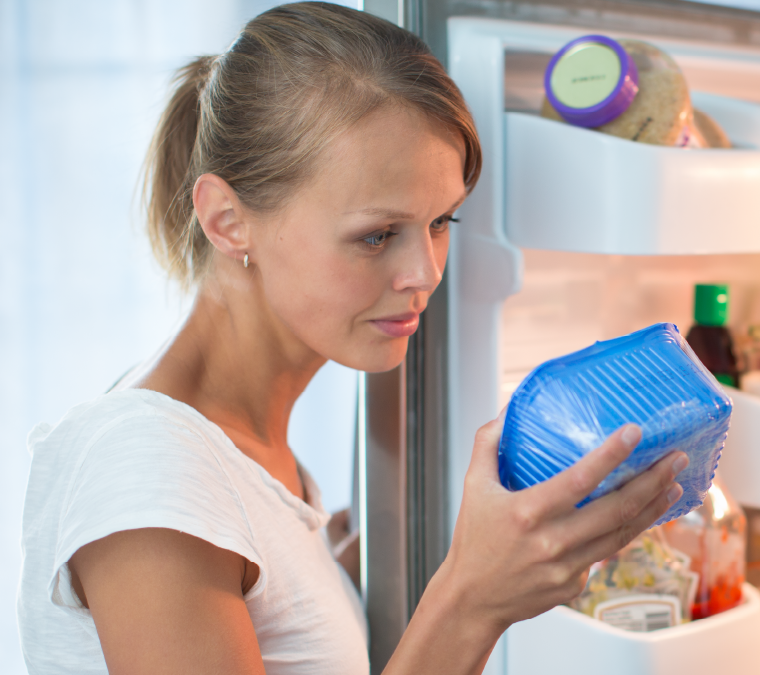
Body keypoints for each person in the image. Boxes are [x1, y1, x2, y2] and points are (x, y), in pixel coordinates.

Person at [17, 3, 687, 674]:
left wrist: (330, 575)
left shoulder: (241, 453)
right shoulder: (148, 472)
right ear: (227, 221)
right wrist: (471, 600)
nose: (424, 273)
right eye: (376, 235)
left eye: (440, 221)